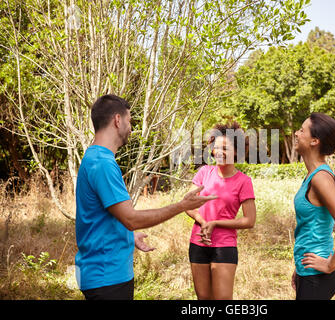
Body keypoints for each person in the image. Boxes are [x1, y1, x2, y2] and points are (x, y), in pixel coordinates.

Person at [75, 94, 217, 300]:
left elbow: (101, 217)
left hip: (103, 273)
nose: (131, 128)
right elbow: (131, 219)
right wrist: (181, 205)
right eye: (129, 121)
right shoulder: (102, 163)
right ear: (117, 120)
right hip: (107, 277)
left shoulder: (95, 158)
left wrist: (127, 237)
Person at [291, 112, 335, 300]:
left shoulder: (320, 178)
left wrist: (330, 264)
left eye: (301, 130)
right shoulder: (314, 175)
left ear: (314, 141)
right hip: (309, 273)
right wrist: (300, 268)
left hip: (318, 276)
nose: (296, 134)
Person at [185, 122, 256, 300]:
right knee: (203, 299)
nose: (218, 152)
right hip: (198, 242)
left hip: (224, 246)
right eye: (216, 147)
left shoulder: (243, 181)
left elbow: (249, 220)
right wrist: (202, 222)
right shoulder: (204, 173)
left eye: (224, 148)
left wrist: (215, 223)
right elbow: (187, 204)